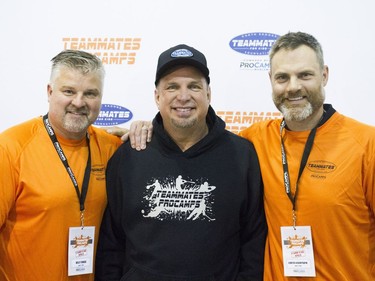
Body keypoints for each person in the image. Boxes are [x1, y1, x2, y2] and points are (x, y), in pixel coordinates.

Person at [95, 44, 267, 281]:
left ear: (208, 94)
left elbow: (254, 242)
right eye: (172, 87)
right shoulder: (131, 154)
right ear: (157, 96)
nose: (183, 96)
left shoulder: (242, 156)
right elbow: (111, 243)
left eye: (194, 86)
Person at [238, 31, 375, 280]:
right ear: (271, 80)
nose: (293, 87)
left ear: (324, 75)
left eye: (305, 75)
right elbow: (202, 141)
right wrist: (150, 129)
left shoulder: (367, 143)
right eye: (282, 77)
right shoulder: (253, 139)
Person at [0, 50, 123, 281]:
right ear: (50, 92)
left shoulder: (111, 147)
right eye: (69, 91)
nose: (78, 102)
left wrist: (141, 130)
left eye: (90, 93)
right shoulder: (11, 147)